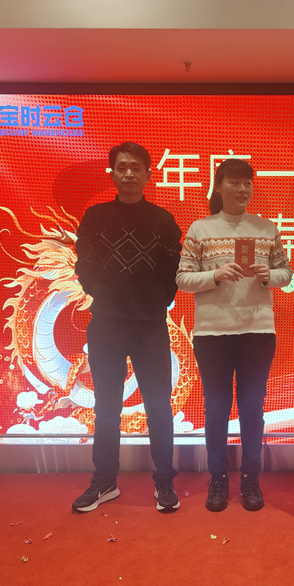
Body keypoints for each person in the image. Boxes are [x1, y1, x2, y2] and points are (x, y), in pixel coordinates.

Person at [72, 142, 182, 514]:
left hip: (150, 326)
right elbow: (84, 265)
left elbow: (172, 270)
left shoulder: (163, 220)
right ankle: (104, 482)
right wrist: (109, 296)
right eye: (122, 168)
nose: (129, 174)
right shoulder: (96, 217)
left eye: (136, 167)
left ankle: (164, 481)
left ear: (149, 174)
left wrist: (154, 301)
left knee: (159, 407)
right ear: (113, 174)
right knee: (106, 407)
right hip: (106, 324)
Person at [176, 158, 292, 512]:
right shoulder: (200, 229)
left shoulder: (266, 228)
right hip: (212, 333)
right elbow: (182, 278)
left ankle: (251, 478)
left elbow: (287, 273)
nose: (243, 189)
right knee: (216, 408)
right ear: (219, 186)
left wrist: (267, 275)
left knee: (253, 408)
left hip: (257, 331)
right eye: (235, 182)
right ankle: (218, 479)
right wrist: (215, 275)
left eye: (247, 183)